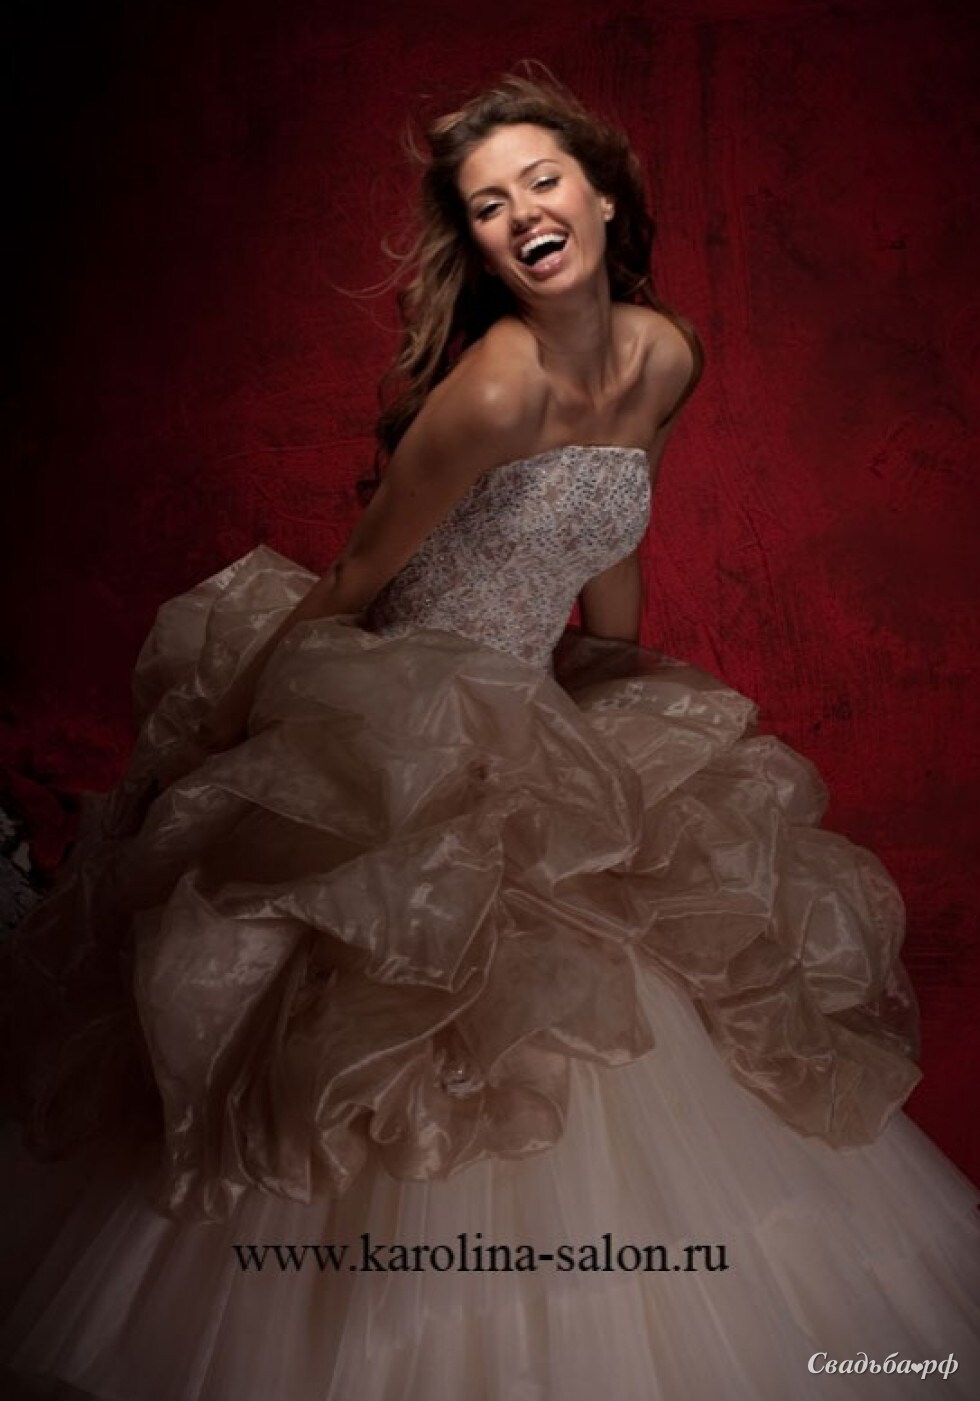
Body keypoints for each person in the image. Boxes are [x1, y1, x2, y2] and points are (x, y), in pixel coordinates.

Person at [1, 71, 978, 1400]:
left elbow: (614, 529)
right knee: (407, 1012)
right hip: (401, 704)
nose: (521, 213)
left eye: (541, 181)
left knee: (638, 955)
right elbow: (355, 581)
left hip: (536, 694)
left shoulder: (666, 352)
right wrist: (218, 740)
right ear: (477, 243)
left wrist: (621, 688)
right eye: (486, 204)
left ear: (604, 198)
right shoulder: (493, 389)